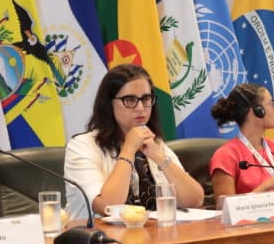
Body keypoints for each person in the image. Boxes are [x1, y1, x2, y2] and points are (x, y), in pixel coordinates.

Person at [65, 64, 204, 217]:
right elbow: (107, 207)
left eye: (146, 99)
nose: (140, 108)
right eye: (130, 100)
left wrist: (159, 157)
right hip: (98, 233)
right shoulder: (82, 146)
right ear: (109, 104)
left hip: (154, 232)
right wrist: (129, 150)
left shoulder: (155, 144)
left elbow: (195, 200)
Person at [209, 83, 274, 199]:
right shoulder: (226, 156)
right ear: (258, 110)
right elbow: (224, 207)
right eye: (271, 104)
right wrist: (267, 185)